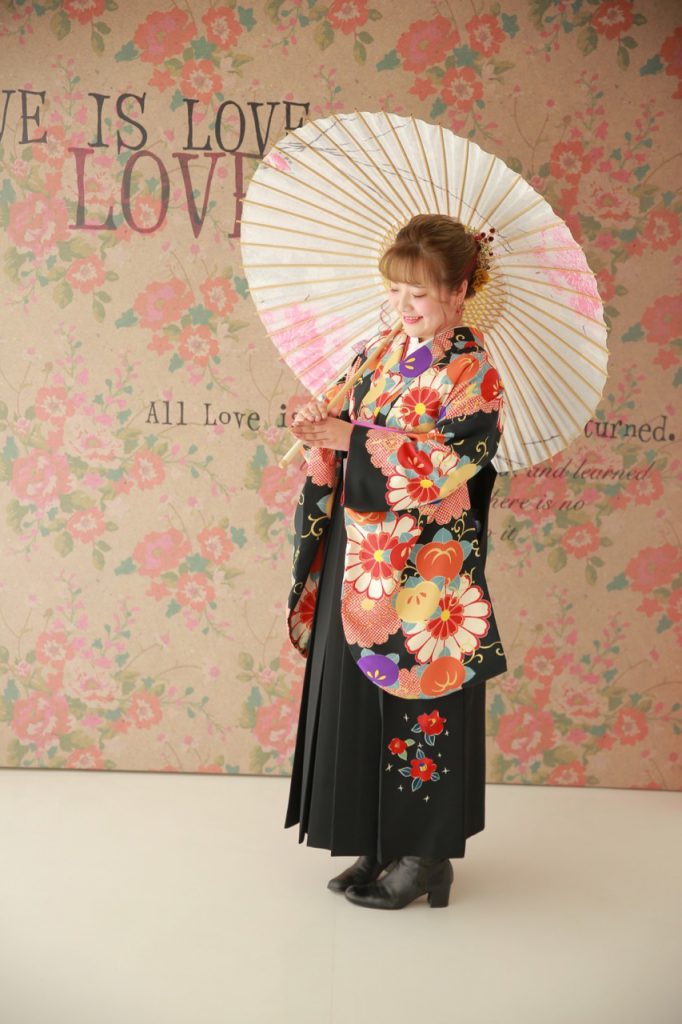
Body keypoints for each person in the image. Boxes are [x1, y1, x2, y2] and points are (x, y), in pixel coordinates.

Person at [283, 214, 507, 910]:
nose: (402, 306)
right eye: (394, 290)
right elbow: (343, 425)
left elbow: (455, 462)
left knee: (420, 703)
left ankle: (425, 856)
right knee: (357, 700)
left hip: (427, 570)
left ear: (459, 290)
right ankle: (376, 842)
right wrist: (318, 432)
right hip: (361, 553)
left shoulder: (472, 372)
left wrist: (352, 440)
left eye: (418, 293)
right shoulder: (377, 351)